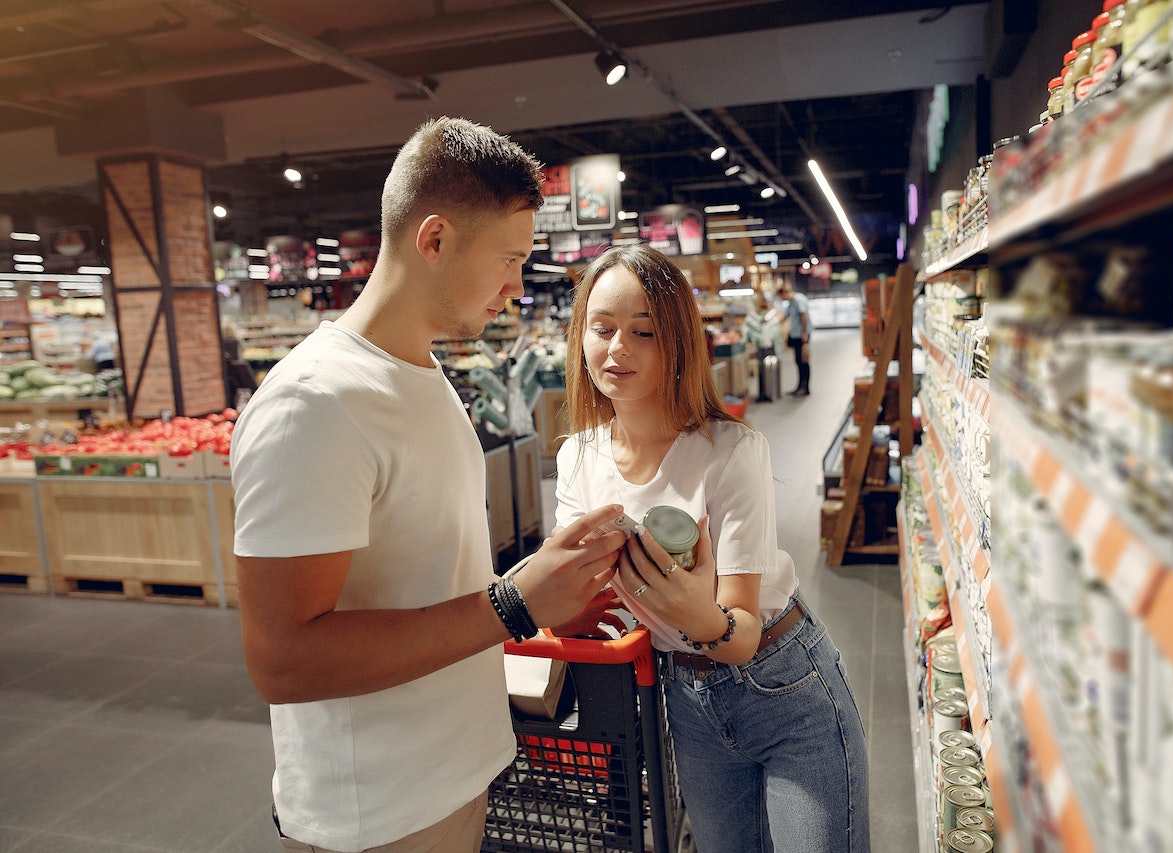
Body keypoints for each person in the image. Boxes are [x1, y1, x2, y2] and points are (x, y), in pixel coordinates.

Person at [230, 117, 628, 853]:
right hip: (374, 815)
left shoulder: (426, 376)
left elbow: (427, 584)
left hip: (453, 776)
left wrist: (540, 599)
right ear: (435, 239)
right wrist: (513, 603)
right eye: (508, 259)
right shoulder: (313, 405)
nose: (518, 285)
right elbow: (282, 658)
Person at [552, 245, 871, 853]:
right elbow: (576, 601)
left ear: (676, 342)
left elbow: (742, 630)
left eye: (643, 331)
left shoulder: (729, 451)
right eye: (602, 329)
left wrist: (693, 613)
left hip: (783, 684)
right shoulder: (578, 459)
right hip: (685, 698)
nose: (617, 349)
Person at [777, 281, 811, 395]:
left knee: (803, 361)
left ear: (784, 293)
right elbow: (784, 317)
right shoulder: (790, 303)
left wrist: (804, 333)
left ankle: (805, 387)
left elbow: (804, 316)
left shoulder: (798, 299)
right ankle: (799, 386)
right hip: (796, 335)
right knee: (798, 361)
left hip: (802, 336)